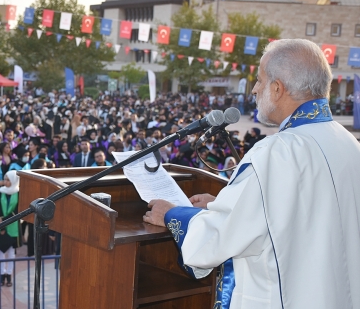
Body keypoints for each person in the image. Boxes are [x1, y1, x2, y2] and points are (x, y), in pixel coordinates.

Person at [143, 39, 360, 309]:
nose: (255, 89)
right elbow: (309, 214)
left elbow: (221, 237)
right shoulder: (348, 143)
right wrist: (223, 203)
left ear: (278, 89)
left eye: (259, 80)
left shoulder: (276, 151)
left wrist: (171, 214)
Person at [0, 170, 21, 287]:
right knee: (1, 252)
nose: (6, 182)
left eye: (8, 179)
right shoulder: (0, 192)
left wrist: (5, 219)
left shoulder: (18, 193)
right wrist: (0, 221)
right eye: (5, 179)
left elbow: (18, 210)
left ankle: (9, 275)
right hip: (1, 226)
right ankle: (1, 275)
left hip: (13, 226)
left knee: (11, 253)